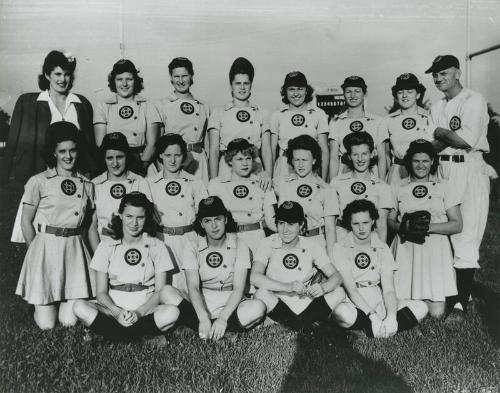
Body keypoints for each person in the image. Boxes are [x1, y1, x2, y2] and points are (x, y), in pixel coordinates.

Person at [425, 55, 490, 321]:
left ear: (458, 73)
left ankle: (461, 304)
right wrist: (444, 135)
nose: (439, 79)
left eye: (444, 73)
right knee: (446, 227)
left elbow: (465, 139)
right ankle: (458, 292)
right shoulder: (437, 106)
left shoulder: (473, 99)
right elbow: (434, 144)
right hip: (443, 168)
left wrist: (442, 133)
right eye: (436, 75)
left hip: (469, 167)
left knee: (468, 229)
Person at [15, 122, 95, 330]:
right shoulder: (39, 181)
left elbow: (90, 226)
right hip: (46, 248)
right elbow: (26, 221)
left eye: (72, 150)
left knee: (69, 322)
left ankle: (64, 300)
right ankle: (41, 304)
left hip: (74, 250)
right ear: (54, 152)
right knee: (47, 325)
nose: (68, 156)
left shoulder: (87, 184)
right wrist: (35, 254)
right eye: (62, 151)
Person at [73, 192, 179, 341]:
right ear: (120, 215)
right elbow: (101, 293)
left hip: (145, 309)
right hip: (113, 308)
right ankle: (143, 336)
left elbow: (159, 292)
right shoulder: (106, 245)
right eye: (129, 216)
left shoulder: (158, 246)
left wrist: (139, 314)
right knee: (79, 306)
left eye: (140, 217)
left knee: (172, 312)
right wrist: (117, 312)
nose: (134, 223)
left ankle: (109, 335)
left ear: (146, 217)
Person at [160, 196, 266, 340]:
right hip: (202, 300)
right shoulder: (193, 245)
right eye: (207, 221)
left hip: (229, 301)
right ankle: (218, 330)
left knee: (258, 308)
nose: (214, 226)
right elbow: (193, 288)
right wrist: (203, 317)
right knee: (166, 291)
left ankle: (206, 330)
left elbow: (239, 289)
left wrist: (222, 318)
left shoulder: (240, 244)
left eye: (218, 219)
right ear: (201, 224)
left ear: (226, 219)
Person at [332, 199, 428, 338]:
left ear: (372, 221)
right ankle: (376, 326)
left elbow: (388, 289)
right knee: (341, 314)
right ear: (349, 224)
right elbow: (351, 290)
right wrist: (372, 315)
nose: (361, 228)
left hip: (378, 299)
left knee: (422, 307)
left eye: (365, 222)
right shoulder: (340, 247)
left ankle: (377, 328)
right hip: (354, 301)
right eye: (356, 224)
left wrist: (391, 316)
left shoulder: (382, 247)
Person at [388, 139, 462, 318]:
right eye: (416, 161)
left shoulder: (444, 185)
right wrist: (404, 227)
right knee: (402, 305)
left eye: (425, 161)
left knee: (436, 313)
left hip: (435, 249)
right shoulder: (398, 186)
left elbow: (457, 224)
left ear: (433, 161)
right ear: (409, 162)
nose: (421, 165)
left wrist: (428, 227)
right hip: (407, 247)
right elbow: (389, 221)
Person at [1, 50, 94, 183]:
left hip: (75, 177)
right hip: (40, 177)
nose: (62, 79)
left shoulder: (82, 103)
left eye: (67, 74)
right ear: (47, 75)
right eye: (58, 74)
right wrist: (3, 179)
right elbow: (12, 144)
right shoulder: (28, 103)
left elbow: (90, 147)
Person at [250, 201, 345, 330]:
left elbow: (337, 276)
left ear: (301, 224)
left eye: (291, 224)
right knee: (261, 293)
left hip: (304, 300)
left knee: (339, 292)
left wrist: (323, 288)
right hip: (277, 299)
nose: (285, 230)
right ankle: (304, 324)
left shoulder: (311, 245)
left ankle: (292, 324)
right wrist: (287, 286)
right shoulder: (267, 243)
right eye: (281, 223)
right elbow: (254, 277)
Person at [147, 134, 208, 297]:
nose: (172, 160)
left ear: (184, 156)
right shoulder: (149, 183)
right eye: (168, 155)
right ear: (160, 155)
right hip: (162, 239)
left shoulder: (195, 182)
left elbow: (205, 216)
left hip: (188, 239)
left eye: (177, 155)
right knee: (164, 288)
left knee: (190, 286)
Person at [208, 138, 276, 255]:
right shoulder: (216, 184)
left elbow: (271, 221)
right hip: (229, 239)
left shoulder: (263, 183)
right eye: (239, 159)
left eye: (248, 158)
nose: (245, 163)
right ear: (230, 161)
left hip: (257, 238)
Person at [274, 134, 338, 257]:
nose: (300, 165)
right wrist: (263, 175)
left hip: (316, 244)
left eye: (305, 160)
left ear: (314, 160)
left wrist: (331, 259)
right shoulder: (281, 184)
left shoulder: (326, 190)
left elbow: (330, 230)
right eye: (297, 160)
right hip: (288, 245)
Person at [208, 57, 272, 179]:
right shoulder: (219, 112)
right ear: (231, 85)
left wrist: (268, 175)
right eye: (238, 83)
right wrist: (213, 180)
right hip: (227, 167)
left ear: (251, 85)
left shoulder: (261, 112)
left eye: (246, 83)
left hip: (254, 167)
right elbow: (214, 150)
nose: (242, 88)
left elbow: (267, 149)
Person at [93, 59, 160, 175]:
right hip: (114, 165)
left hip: (142, 163)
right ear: (113, 81)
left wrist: (140, 165)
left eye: (129, 79)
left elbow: (153, 143)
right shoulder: (102, 106)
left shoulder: (148, 105)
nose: (124, 84)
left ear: (136, 81)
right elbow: (101, 144)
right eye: (119, 79)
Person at [89, 132, 151, 251]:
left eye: (120, 157)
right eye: (110, 158)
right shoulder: (95, 184)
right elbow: (92, 226)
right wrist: (99, 257)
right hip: (105, 245)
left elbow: (148, 222)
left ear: (127, 156)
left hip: (135, 246)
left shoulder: (139, 182)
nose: (115, 163)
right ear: (104, 159)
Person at [155, 57, 210, 184]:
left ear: (191, 76)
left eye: (184, 76)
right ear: (171, 78)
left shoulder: (203, 106)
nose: (180, 81)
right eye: (176, 76)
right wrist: (162, 168)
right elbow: (158, 144)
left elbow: (207, 144)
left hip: (198, 161)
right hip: (173, 161)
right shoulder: (162, 105)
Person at [331, 132, 394, 242]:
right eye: (355, 155)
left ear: (372, 154)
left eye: (364, 154)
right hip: (342, 238)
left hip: (369, 239)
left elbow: (381, 225)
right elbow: (331, 222)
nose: (360, 159)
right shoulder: (337, 183)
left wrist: (380, 252)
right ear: (349, 156)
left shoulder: (383, 187)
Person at [270, 71, 329, 181]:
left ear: (306, 90)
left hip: (310, 166)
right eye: (291, 89)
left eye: (300, 89)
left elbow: (324, 150)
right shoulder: (277, 115)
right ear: (285, 92)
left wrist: (323, 179)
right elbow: (272, 151)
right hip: (284, 166)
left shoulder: (318, 113)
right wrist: (270, 176)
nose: (296, 93)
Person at [379, 73, 435, 184]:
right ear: (396, 96)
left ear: (418, 94)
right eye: (400, 92)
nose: (405, 96)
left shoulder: (429, 117)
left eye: (410, 91)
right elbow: (385, 156)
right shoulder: (388, 120)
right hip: (397, 172)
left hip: (422, 172)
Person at [328, 76, 387, 180]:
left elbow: (382, 157)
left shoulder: (378, 121)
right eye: (348, 91)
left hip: (371, 174)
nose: (353, 95)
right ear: (344, 94)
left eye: (357, 91)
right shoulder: (336, 122)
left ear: (364, 93)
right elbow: (333, 157)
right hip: (344, 174)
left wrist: (382, 183)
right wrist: (332, 184)